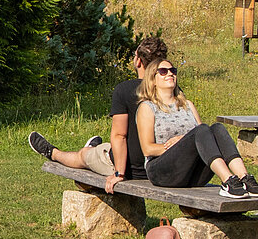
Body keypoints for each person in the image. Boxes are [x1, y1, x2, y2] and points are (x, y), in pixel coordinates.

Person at [26, 34, 168, 191]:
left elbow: (120, 136)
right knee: (103, 149)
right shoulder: (172, 91)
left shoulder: (125, 90)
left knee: (83, 156)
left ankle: (53, 153)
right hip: (162, 167)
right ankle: (94, 147)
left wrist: (119, 174)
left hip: (131, 169)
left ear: (138, 61)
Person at [135, 54, 258, 199]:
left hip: (192, 173)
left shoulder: (187, 105)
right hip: (162, 172)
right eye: (163, 71)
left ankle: (244, 178)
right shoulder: (147, 107)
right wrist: (180, 143)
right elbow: (148, 149)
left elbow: (203, 138)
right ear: (152, 80)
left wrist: (183, 139)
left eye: (173, 70)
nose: (170, 73)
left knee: (217, 128)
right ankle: (228, 180)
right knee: (202, 129)